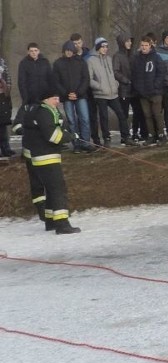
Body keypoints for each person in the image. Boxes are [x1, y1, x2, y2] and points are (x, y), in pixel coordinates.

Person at [20, 89, 81, 234]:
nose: (58, 101)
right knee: (58, 189)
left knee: (51, 189)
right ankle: (62, 224)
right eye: (55, 98)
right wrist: (71, 137)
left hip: (42, 156)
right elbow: (53, 136)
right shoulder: (44, 112)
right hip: (46, 157)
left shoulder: (42, 111)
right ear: (46, 100)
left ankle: (50, 221)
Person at [88, 37, 135, 146]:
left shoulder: (109, 59)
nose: (105, 49)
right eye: (103, 47)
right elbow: (89, 79)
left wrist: (116, 84)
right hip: (100, 94)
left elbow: (113, 74)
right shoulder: (91, 60)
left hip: (112, 93)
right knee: (104, 117)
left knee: (121, 114)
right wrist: (99, 86)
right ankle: (107, 138)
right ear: (98, 47)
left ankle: (126, 136)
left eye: (106, 47)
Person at [54, 40, 94, 152]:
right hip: (66, 97)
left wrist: (78, 93)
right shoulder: (58, 63)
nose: (68, 53)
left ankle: (85, 142)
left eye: (71, 50)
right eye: (66, 50)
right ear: (63, 51)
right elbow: (56, 81)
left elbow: (85, 79)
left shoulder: (81, 62)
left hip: (80, 95)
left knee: (85, 119)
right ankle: (76, 143)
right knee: (72, 121)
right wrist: (67, 94)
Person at [132, 36, 167, 145]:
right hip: (143, 93)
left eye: (146, 45)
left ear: (150, 46)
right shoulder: (137, 59)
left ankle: (161, 135)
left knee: (157, 114)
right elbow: (135, 75)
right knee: (147, 115)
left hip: (155, 92)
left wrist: (155, 86)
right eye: (142, 45)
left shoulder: (156, 57)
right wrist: (139, 89)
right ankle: (151, 135)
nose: (144, 47)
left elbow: (161, 73)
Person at [0, 51, 14, 157]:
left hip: (3, 96)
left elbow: (8, 78)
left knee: (3, 124)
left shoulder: (2, 62)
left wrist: (7, 90)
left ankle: (6, 148)